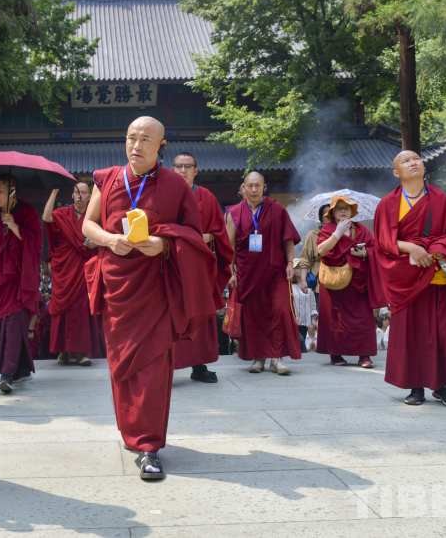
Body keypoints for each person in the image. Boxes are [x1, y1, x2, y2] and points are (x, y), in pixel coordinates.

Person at [82, 117, 217, 480]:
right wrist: (110, 240)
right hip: (117, 288)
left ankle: (148, 446)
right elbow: (88, 225)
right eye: (131, 138)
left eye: (145, 139)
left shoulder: (174, 185)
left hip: (155, 289)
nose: (136, 145)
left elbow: (193, 235)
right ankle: (132, 433)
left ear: (161, 147)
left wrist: (164, 244)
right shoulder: (108, 178)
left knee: (153, 368)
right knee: (121, 367)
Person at [374, 150, 446, 407]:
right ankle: (416, 386)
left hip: (440, 278)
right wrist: (412, 248)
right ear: (396, 172)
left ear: (423, 166)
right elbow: (383, 242)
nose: (413, 163)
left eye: (416, 159)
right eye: (405, 161)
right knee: (414, 335)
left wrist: (438, 248)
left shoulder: (440, 198)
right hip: (407, 280)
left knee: (445, 334)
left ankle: (442, 386)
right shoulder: (388, 204)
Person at [226, 171, 302, 374]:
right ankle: (258, 358)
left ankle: (277, 358)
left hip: (275, 270)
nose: (253, 190)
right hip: (247, 273)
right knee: (254, 316)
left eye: (257, 185)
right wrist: (231, 271)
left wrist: (290, 263)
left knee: (280, 311)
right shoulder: (235, 213)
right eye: (249, 185)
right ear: (243, 188)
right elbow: (230, 245)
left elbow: (288, 238)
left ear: (264, 187)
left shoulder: (276, 209)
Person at [171, 152, 233, 382]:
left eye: (188, 166)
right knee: (171, 314)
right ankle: (167, 368)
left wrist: (206, 237)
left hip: (199, 266)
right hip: (171, 264)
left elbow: (220, 233)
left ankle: (199, 366)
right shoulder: (165, 194)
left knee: (199, 313)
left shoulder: (206, 196)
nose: (183, 170)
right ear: (172, 169)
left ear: (196, 171)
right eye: (179, 166)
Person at [0, 173, 43, 393]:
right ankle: (21, 368)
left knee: (13, 324)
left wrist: (15, 227)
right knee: (1, 325)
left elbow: (37, 244)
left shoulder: (28, 212)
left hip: (18, 280)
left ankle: (5, 374)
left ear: (12, 191)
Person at [316, 195, 385, 367]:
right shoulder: (327, 229)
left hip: (357, 282)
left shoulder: (361, 229)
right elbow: (321, 250)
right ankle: (336, 354)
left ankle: (364, 355)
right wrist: (337, 233)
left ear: (351, 212)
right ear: (332, 213)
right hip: (335, 282)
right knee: (335, 318)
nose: (343, 211)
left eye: (346, 208)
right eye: (339, 208)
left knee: (363, 318)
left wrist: (364, 253)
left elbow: (374, 248)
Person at [43, 183, 105, 365]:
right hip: (65, 269)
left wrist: (96, 243)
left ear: (89, 197)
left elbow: (105, 236)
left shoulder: (94, 216)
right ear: (72, 195)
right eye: (76, 192)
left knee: (82, 309)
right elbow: (46, 217)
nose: (79, 196)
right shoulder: (63, 213)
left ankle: (81, 353)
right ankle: (63, 350)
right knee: (63, 310)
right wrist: (54, 190)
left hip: (85, 269)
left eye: (83, 193)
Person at [296, 203, 330, 307]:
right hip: (321, 279)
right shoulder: (313, 234)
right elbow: (306, 259)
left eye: (331, 213)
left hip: (341, 278)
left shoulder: (343, 232)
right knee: (323, 311)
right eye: (326, 213)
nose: (329, 216)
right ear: (320, 217)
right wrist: (303, 281)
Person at [291, 258, 317, 352]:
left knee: (301, 345)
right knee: (300, 341)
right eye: (297, 267)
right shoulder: (290, 287)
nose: (300, 269)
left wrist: (313, 320)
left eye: (302, 267)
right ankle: (306, 349)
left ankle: (306, 349)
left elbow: (312, 306)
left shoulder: (309, 287)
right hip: (294, 321)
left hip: (305, 322)